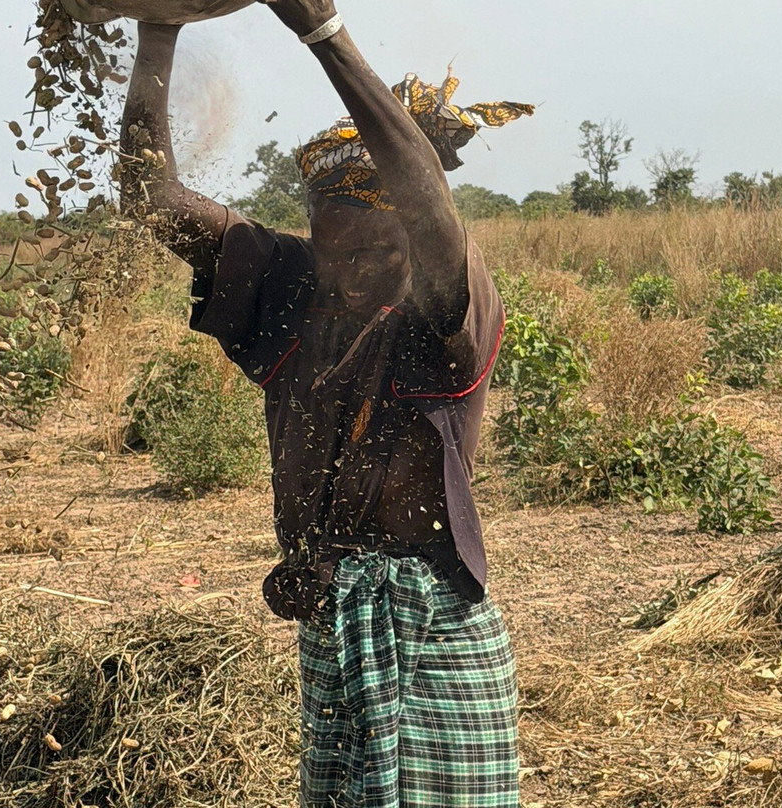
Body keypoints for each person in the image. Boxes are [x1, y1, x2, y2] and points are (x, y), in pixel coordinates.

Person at [119, 2, 532, 804]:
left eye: (373, 250)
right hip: (333, 634)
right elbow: (151, 196)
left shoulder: (447, 312)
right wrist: (158, 29)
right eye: (331, 248)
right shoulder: (294, 289)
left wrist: (323, 34)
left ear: (412, 234)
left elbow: (428, 200)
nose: (347, 274)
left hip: (435, 637)